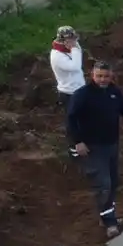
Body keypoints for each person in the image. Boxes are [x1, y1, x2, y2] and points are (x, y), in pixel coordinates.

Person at [67, 61, 123, 238]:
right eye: (99, 76)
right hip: (92, 148)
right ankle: (110, 223)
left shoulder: (114, 91)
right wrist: (78, 142)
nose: (103, 79)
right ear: (92, 75)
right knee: (103, 185)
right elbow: (71, 120)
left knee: (113, 182)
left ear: (111, 75)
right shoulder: (82, 95)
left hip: (112, 144)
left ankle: (106, 215)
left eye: (106, 76)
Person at [49, 26, 85, 157]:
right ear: (64, 41)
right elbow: (75, 66)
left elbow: (79, 53)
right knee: (73, 121)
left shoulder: (69, 48)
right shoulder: (57, 56)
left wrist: (75, 47)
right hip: (69, 93)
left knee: (83, 119)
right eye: (72, 40)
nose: (75, 42)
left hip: (80, 90)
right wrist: (74, 48)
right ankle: (74, 147)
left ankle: (85, 143)